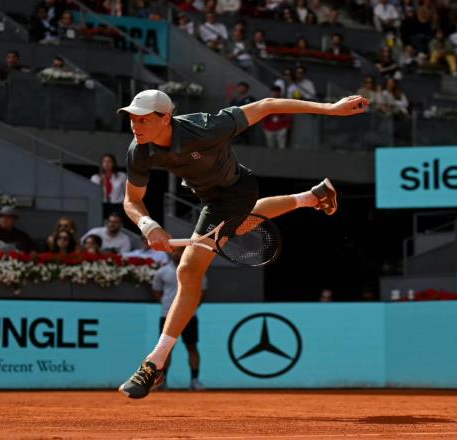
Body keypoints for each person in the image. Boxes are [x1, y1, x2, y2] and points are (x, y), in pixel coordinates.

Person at [116, 88, 368, 399]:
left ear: (166, 118)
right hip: (209, 198)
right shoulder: (139, 150)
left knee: (189, 270)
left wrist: (330, 108)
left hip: (236, 191)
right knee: (243, 225)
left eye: (143, 119)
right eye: (132, 119)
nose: (135, 125)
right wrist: (149, 225)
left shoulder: (205, 128)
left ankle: (154, 363)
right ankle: (313, 197)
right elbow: (132, 200)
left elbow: (267, 105)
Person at [151, 247, 207, 391]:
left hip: (190, 317)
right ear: (171, 253)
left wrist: (189, 308)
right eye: (175, 251)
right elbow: (156, 291)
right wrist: (167, 306)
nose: (178, 254)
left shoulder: (196, 271)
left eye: (181, 251)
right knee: (165, 350)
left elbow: (202, 292)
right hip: (166, 316)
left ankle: (195, 381)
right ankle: (162, 382)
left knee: (192, 347)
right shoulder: (162, 271)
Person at [90, 153, 127, 219]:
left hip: (117, 205)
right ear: (101, 164)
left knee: (116, 222)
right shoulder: (95, 178)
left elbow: (126, 192)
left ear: (114, 163)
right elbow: (93, 194)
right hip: (101, 204)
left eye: (109, 161)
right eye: (104, 161)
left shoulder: (122, 176)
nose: (107, 163)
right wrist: (100, 182)